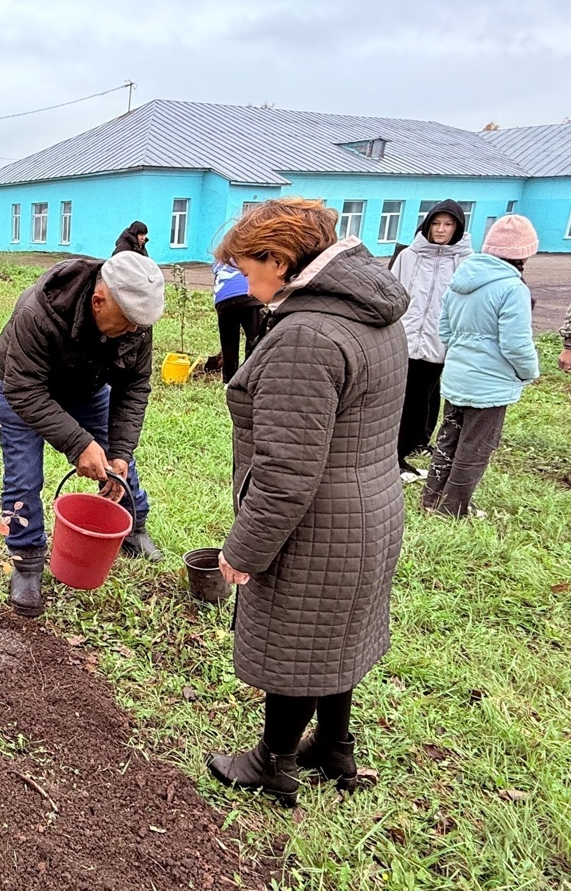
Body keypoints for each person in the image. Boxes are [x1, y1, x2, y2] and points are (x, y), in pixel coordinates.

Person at [203, 198, 409, 807]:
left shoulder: (306, 336)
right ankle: (334, 746)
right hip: (373, 505)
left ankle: (273, 761)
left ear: (281, 259)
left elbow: (287, 474)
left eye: (248, 267)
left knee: (298, 639)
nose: (246, 282)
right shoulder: (372, 312)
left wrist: (243, 550)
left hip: (316, 521)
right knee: (335, 634)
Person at [0, 252, 166, 617]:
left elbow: (134, 385)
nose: (136, 331)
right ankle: (26, 562)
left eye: (141, 324)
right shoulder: (38, 312)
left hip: (87, 387)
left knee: (117, 461)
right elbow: (24, 391)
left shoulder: (135, 318)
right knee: (23, 477)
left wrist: (119, 449)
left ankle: (133, 528)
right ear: (98, 301)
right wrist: (78, 443)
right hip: (22, 387)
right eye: (128, 323)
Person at [422, 215, 540, 518]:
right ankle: (453, 509)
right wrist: (529, 372)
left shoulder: (462, 278)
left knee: (449, 438)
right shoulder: (513, 288)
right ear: (524, 252)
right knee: (474, 448)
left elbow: (444, 331)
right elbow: (516, 343)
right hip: (490, 384)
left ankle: (431, 498)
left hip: (457, 377)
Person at [389, 200, 473, 482]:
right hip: (405, 338)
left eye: (448, 224)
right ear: (426, 225)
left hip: (440, 340)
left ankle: (418, 440)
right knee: (404, 396)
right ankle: (396, 452)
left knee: (427, 394)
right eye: (436, 223)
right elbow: (393, 294)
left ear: (458, 228)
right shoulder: (409, 256)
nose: (441, 229)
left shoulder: (466, 261)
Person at [212, 260, 262, 384]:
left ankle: (228, 380)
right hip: (249, 295)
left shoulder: (220, 258)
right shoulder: (250, 250)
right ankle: (250, 378)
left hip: (223, 298)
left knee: (228, 342)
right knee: (254, 339)